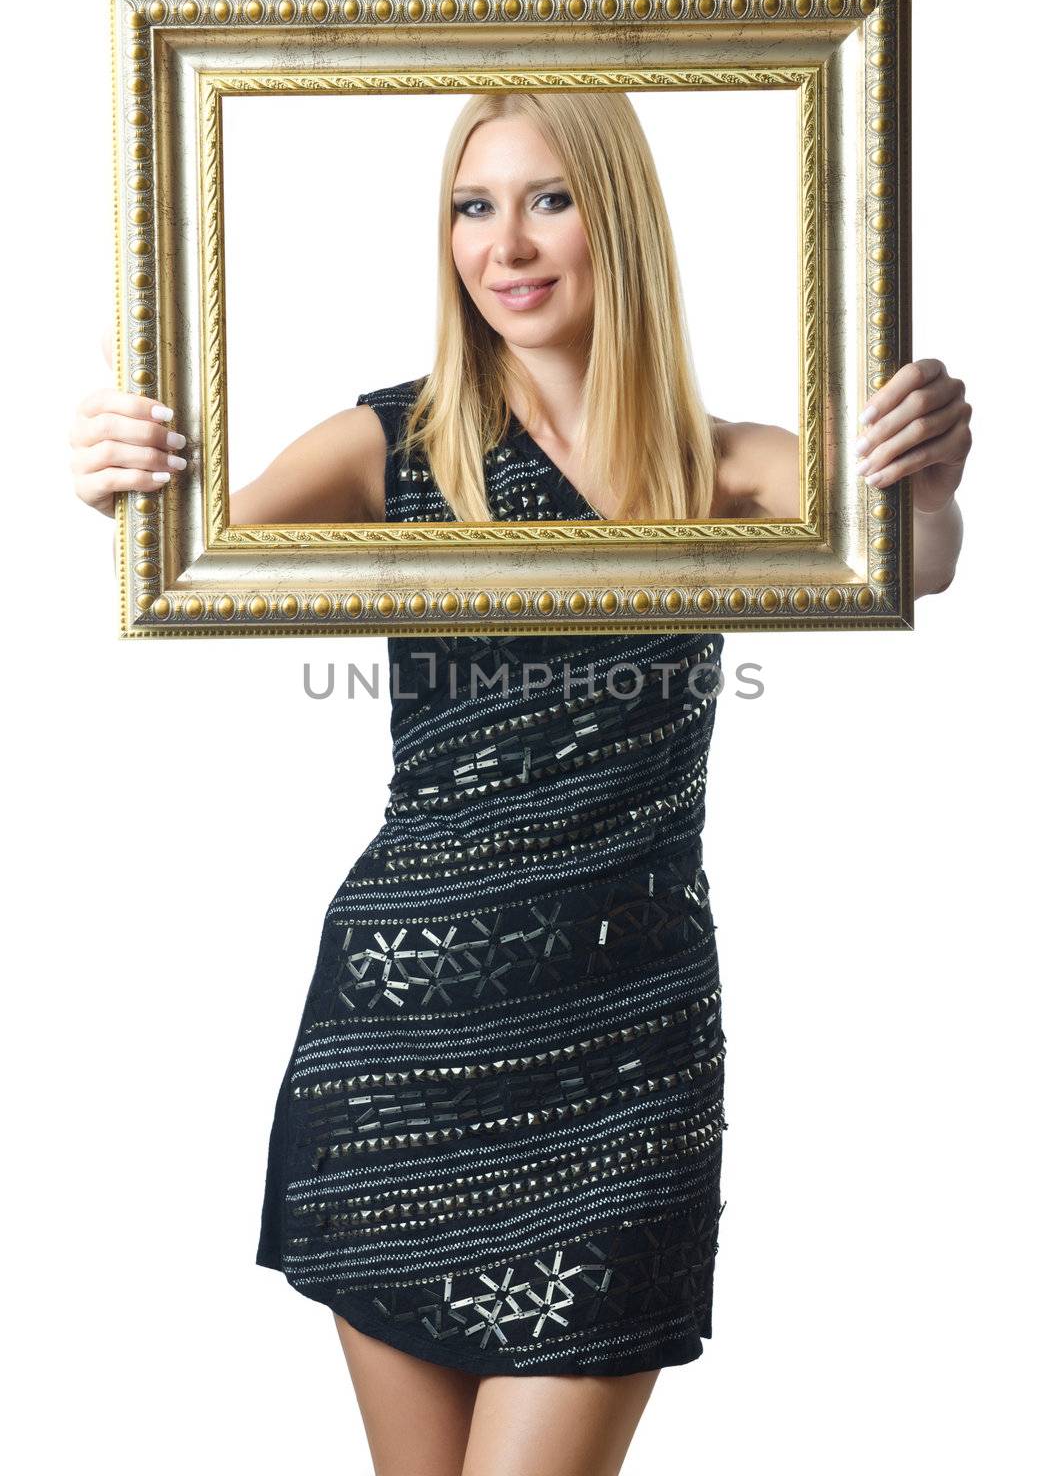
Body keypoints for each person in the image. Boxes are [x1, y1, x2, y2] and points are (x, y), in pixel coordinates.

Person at [70, 91, 970, 1476]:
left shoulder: (723, 470)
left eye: (549, 198)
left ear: (620, 219)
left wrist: (928, 479)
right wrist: (129, 486)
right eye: (471, 205)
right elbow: (182, 559)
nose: (507, 242)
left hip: (630, 1050)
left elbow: (915, 556)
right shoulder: (393, 445)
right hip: (397, 1046)